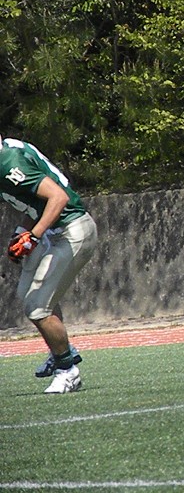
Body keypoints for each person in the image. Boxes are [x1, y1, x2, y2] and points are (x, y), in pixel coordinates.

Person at [1, 135, 98, 393]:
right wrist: (21, 232)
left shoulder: (8, 162)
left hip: (72, 230)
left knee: (37, 306)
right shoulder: (10, 151)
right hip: (56, 233)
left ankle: (67, 369)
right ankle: (61, 352)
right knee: (28, 295)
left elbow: (58, 197)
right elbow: (37, 204)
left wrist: (33, 236)